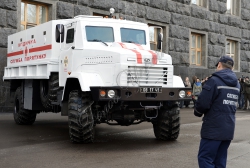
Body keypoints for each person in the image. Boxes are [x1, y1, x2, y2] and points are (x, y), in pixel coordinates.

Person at [194, 55, 240, 168]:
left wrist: (197, 111)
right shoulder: (237, 84)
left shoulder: (214, 81)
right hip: (228, 128)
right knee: (220, 160)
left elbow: (203, 103)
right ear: (231, 68)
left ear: (219, 64)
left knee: (205, 158)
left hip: (213, 128)